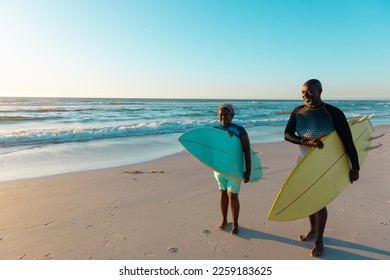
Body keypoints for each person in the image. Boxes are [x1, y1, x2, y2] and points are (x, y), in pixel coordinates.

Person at [284, 79, 360, 257]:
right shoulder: (298, 112)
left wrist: (355, 167)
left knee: (319, 201)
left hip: (324, 165)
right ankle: (312, 230)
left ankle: (319, 240)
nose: (306, 96)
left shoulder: (333, 113)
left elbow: (348, 141)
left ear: (320, 91)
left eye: (310, 92)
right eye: (303, 93)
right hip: (303, 162)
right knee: (308, 198)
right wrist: (306, 142)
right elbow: (287, 135)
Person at [214, 102, 251, 235]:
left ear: (232, 115)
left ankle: (235, 223)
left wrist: (248, 170)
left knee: (233, 196)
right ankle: (224, 219)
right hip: (219, 170)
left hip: (234, 168)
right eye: (221, 115)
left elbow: (246, 150)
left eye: (226, 114)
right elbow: (211, 150)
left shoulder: (239, 130)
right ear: (218, 116)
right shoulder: (215, 130)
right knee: (222, 193)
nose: (223, 117)